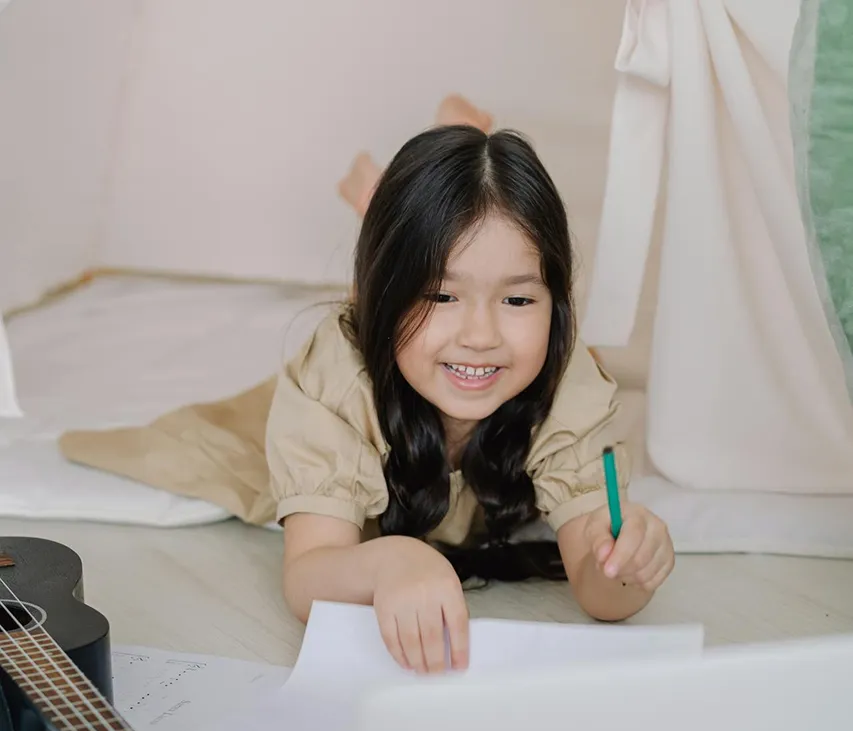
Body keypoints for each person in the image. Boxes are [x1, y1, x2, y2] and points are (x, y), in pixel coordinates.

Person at [265, 125, 675, 674]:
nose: (480, 334)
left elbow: (603, 595)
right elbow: (306, 576)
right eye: (441, 294)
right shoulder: (335, 381)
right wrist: (394, 559)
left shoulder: (566, 380)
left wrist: (625, 563)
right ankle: (373, 192)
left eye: (518, 298)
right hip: (365, 382)